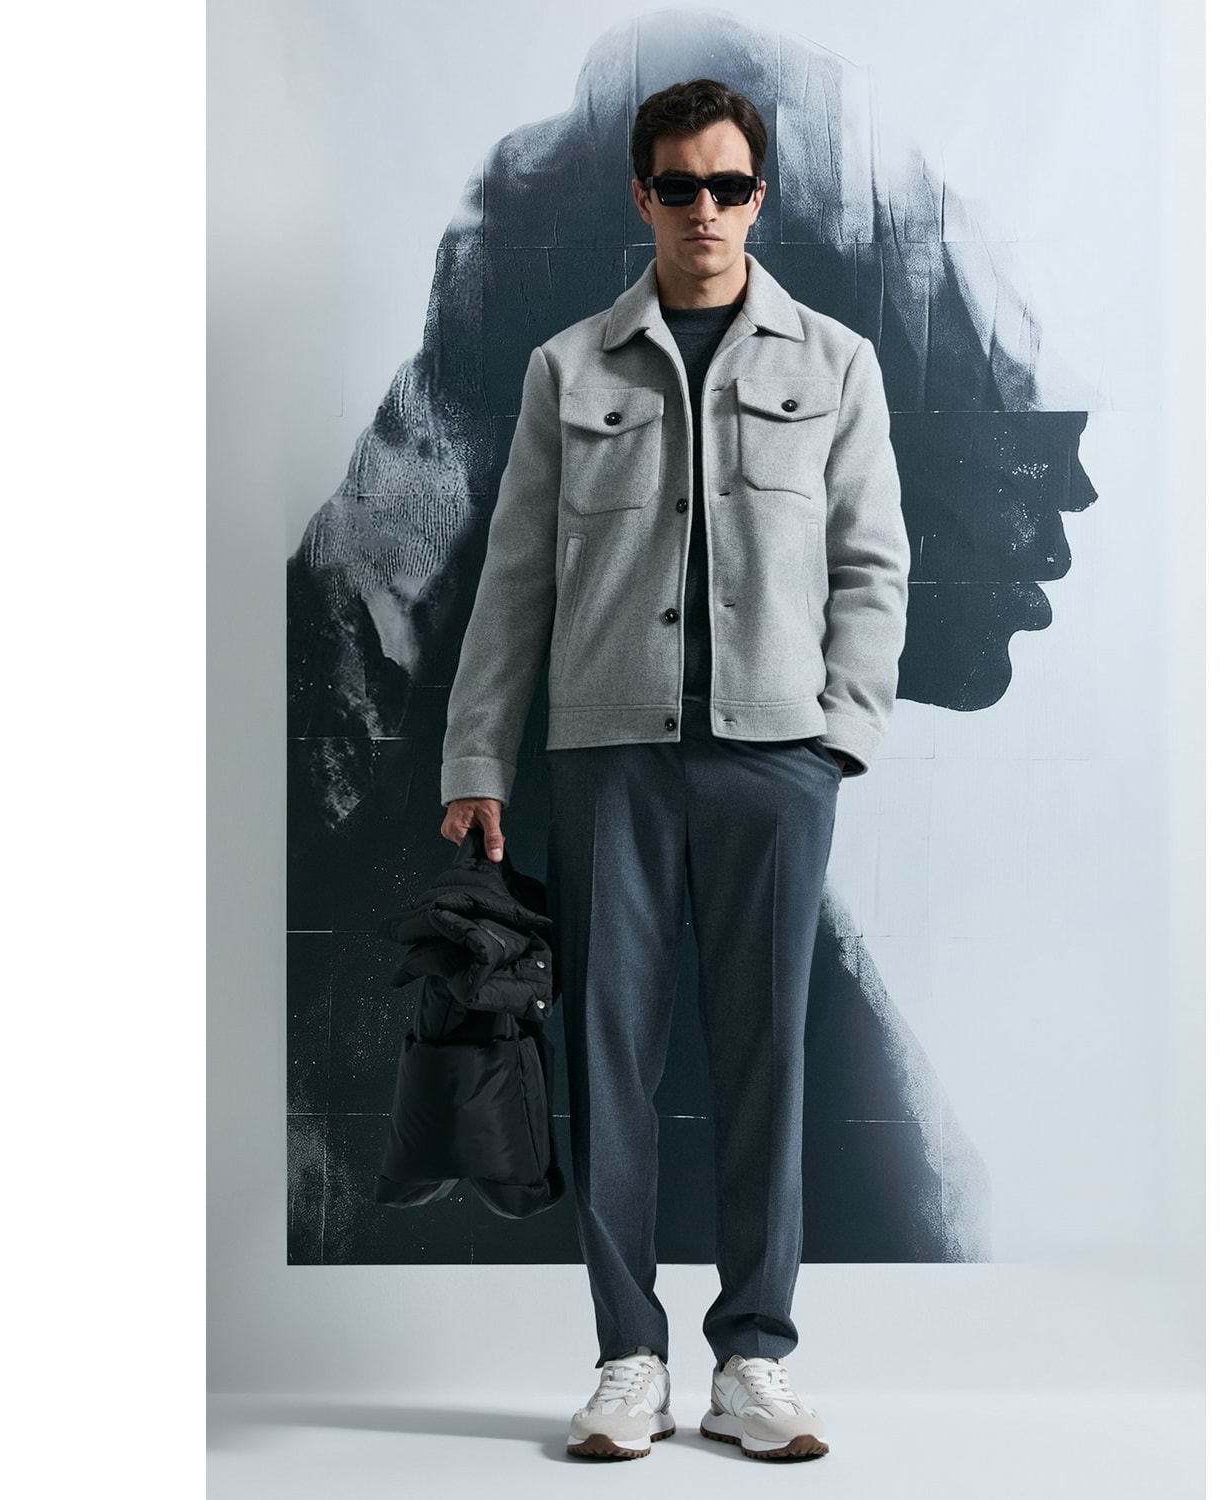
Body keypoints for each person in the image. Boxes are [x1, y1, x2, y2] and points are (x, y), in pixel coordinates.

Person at [438, 77, 909, 1461]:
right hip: (611, 760)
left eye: (730, 186)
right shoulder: (568, 369)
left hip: (776, 763)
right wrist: (477, 755)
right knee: (609, 1065)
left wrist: (840, 732)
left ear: (761, 198)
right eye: (681, 186)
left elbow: (874, 563)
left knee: (767, 1065)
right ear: (643, 195)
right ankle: (628, 1357)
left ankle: (754, 1358)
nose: (706, 210)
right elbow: (513, 580)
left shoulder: (836, 363)